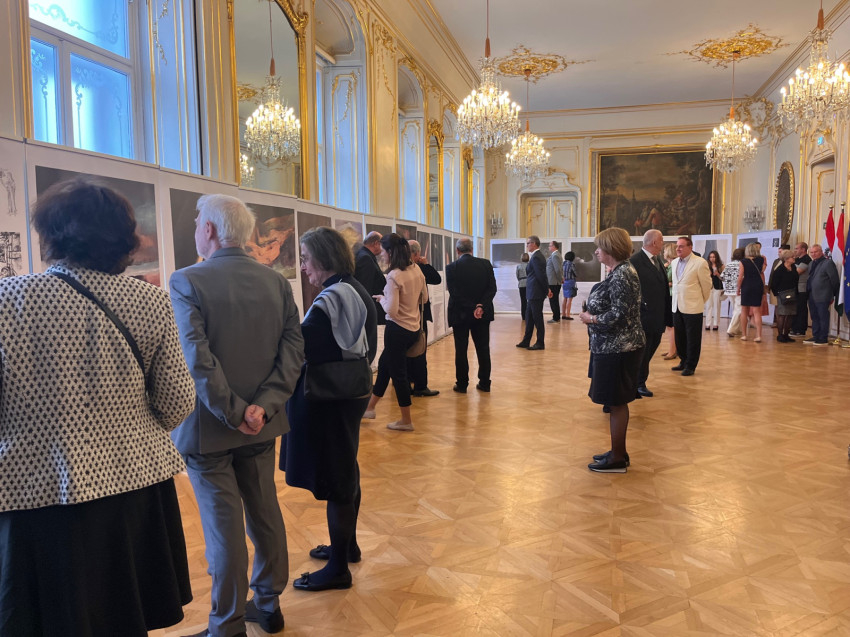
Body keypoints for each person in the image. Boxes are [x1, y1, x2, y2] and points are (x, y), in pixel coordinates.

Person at [0, 179, 196, 635]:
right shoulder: (151, 301)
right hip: (136, 487)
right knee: (126, 615)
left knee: (49, 620)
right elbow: (177, 400)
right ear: (123, 238)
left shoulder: (9, 299)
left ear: (50, 234)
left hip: (37, 493)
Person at [170, 194, 304, 637]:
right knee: (264, 510)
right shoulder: (276, 283)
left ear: (208, 229)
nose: (196, 231)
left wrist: (234, 411)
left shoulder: (187, 281)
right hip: (261, 426)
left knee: (223, 527)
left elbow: (198, 359)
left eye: (196, 224)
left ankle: (227, 625)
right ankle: (268, 603)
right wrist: (262, 408)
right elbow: (293, 351)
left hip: (210, 429)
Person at [281, 227, 377, 592]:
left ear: (324, 258)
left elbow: (304, 350)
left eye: (306, 259)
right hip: (350, 393)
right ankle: (346, 547)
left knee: (338, 480)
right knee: (346, 470)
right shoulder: (354, 289)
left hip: (332, 399)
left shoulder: (333, 297)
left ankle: (338, 569)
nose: (303, 267)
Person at [579, 227, 645, 474]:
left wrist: (591, 319)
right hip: (613, 347)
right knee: (615, 401)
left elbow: (619, 315)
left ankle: (617, 458)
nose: (596, 251)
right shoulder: (619, 272)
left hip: (619, 348)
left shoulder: (622, 274)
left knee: (616, 403)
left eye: (600, 247)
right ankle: (618, 451)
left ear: (611, 248)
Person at [363, 233, 427, 431]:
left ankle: (406, 420)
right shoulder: (416, 269)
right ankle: (370, 408)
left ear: (390, 252)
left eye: (383, 251)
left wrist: (382, 299)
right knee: (385, 366)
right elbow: (424, 299)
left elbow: (391, 310)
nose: (382, 255)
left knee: (398, 375)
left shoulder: (394, 276)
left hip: (397, 330)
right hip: (413, 328)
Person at [446, 237, 497, 393]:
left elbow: (454, 294)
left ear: (457, 251)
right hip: (481, 315)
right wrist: (480, 306)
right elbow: (492, 288)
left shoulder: (452, 267)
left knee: (461, 350)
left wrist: (472, 307)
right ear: (472, 250)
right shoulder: (485, 264)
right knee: (483, 349)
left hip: (460, 314)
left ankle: (462, 384)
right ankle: (485, 383)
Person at [629, 229, 668, 397]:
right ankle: (638, 383)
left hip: (657, 316)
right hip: (643, 316)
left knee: (651, 347)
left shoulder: (657, 259)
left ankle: (637, 380)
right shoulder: (635, 261)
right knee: (643, 351)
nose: (663, 243)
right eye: (661, 240)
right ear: (654, 242)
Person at [670, 236, 711, 375]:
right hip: (676, 305)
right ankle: (683, 361)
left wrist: (700, 300)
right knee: (680, 337)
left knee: (693, 338)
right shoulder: (674, 262)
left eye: (681, 246)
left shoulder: (700, 263)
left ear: (690, 247)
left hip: (693, 307)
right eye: (677, 246)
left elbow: (707, 286)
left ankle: (691, 365)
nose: (678, 249)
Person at [407, 239, 441, 397]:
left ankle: (407, 380)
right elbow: (436, 279)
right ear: (417, 253)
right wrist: (426, 264)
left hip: (404, 316)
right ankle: (420, 385)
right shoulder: (419, 268)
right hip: (418, 315)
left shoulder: (399, 268)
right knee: (420, 349)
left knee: (407, 349)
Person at [517, 235, 548, 350]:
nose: (527, 245)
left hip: (536, 292)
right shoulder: (536, 256)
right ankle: (526, 340)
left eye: (528, 243)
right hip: (533, 292)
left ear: (534, 243)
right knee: (529, 317)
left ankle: (540, 342)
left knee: (537, 318)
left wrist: (546, 290)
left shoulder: (536, 257)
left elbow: (541, 276)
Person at [804, 243, 839, 346]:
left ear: (821, 252)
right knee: (814, 316)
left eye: (816, 252)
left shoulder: (828, 263)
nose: (813, 254)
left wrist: (833, 293)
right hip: (811, 294)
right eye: (811, 252)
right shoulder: (811, 264)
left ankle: (823, 338)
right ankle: (816, 335)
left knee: (823, 316)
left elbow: (834, 280)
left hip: (823, 295)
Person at [354, 231, 387, 324]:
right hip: (371, 309)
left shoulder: (363, 254)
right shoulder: (366, 258)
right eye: (382, 244)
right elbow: (365, 288)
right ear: (376, 243)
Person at [768, 249, 799, 343]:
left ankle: (786, 334)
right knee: (782, 314)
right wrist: (778, 294)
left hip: (793, 293)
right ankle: (780, 335)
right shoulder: (779, 270)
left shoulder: (793, 267)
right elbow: (774, 283)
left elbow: (796, 279)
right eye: (792, 257)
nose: (794, 258)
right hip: (782, 295)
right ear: (786, 259)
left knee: (790, 315)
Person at [738, 242, 766, 342]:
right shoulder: (761, 259)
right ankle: (759, 336)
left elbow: (740, 276)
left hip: (747, 285)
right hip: (758, 285)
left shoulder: (743, 261)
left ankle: (744, 335)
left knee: (744, 310)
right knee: (757, 311)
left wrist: (738, 288)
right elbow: (762, 271)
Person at [790, 242, 811, 337]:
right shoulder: (797, 259)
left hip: (802, 288)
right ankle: (794, 328)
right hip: (795, 287)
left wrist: (791, 267)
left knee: (801, 308)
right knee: (795, 308)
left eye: (797, 248)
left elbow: (797, 271)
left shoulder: (806, 259)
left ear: (803, 249)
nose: (795, 250)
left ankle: (801, 329)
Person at [722, 248, 745, 337]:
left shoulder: (729, 264)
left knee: (735, 310)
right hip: (739, 290)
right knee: (738, 309)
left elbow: (722, 277)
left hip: (729, 290)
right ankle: (731, 329)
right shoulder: (742, 264)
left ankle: (737, 329)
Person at [661, 243, 678, 359]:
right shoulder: (669, 265)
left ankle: (673, 351)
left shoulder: (674, 265)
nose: (663, 253)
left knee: (671, 326)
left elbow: (673, 281)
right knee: (670, 326)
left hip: (672, 295)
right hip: (669, 295)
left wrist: (666, 283)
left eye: (664, 251)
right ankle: (673, 349)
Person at [704, 250, 724, 330]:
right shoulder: (706, 265)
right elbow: (703, 277)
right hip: (709, 287)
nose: (712, 259)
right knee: (708, 305)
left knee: (716, 305)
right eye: (710, 257)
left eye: (714, 257)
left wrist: (718, 274)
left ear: (716, 257)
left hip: (717, 287)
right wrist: (708, 274)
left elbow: (723, 278)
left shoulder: (721, 266)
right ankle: (707, 324)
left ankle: (716, 324)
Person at [546, 240, 564, 323]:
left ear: (554, 246)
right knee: (554, 300)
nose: (549, 247)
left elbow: (557, 270)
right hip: (554, 281)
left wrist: (560, 279)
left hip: (553, 282)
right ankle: (556, 317)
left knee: (553, 300)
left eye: (550, 245)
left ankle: (555, 317)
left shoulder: (555, 255)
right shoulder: (556, 255)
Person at [561, 251, 577, 320]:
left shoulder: (563, 264)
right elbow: (575, 273)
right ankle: (568, 315)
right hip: (570, 281)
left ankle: (563, 314)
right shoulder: (571, 264)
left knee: (565, 298)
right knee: (569, 299)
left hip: (564, 282)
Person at [517, 252, 529, 318]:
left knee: (523, 300)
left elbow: (517, 276)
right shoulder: (530, 265)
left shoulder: (519, 266)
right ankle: (529, 315)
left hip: (521, 284)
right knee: (530, 300)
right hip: (529, 284)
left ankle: (523, 316)